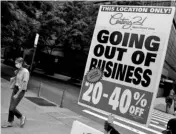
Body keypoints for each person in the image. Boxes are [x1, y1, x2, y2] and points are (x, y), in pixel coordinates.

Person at [2, 57, 30, 128]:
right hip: (15, 88)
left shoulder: (26, 72)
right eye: (15, 63)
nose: (15, 64)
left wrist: (17, 94)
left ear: (21, 63)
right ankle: (10, 122)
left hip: (20, 91)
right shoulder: (19, 70)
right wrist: (16, 73)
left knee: (12, 108)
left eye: (16, 63)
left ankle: (21, 117)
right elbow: (18, 79)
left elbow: (24, 84)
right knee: (10, 106)